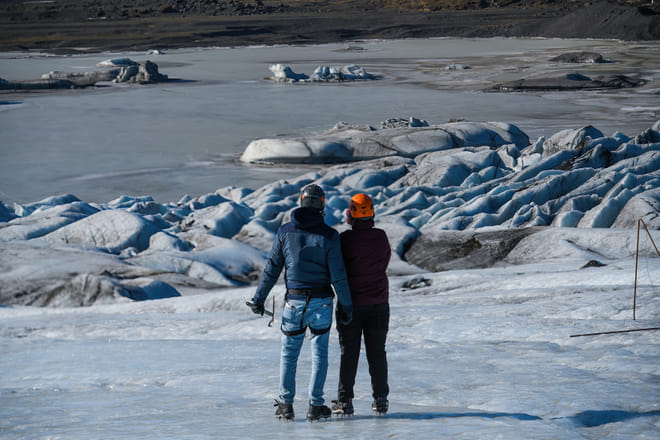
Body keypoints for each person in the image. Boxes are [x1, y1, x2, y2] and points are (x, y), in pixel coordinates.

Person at [249, 183, 353, 422]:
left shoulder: (285, 232)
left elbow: (272, 268)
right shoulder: (330, 235)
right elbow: (338, 275)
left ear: (301, 202)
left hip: (293, 301)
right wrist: (347, 305)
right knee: (319, 355)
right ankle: (315, 406)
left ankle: (286, 405)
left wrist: (259, 299)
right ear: (322, 204)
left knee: (289, 354)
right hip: (322, 302)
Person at [332, 193, 391, 415]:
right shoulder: (381, 237)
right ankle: (381, 399)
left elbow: (339, 269)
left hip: (351, 305)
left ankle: (345, 401)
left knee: (349, 353)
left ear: (351, 215)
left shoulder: (345, 240)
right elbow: (384, 263)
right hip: (379, 303)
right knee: (377, 352)